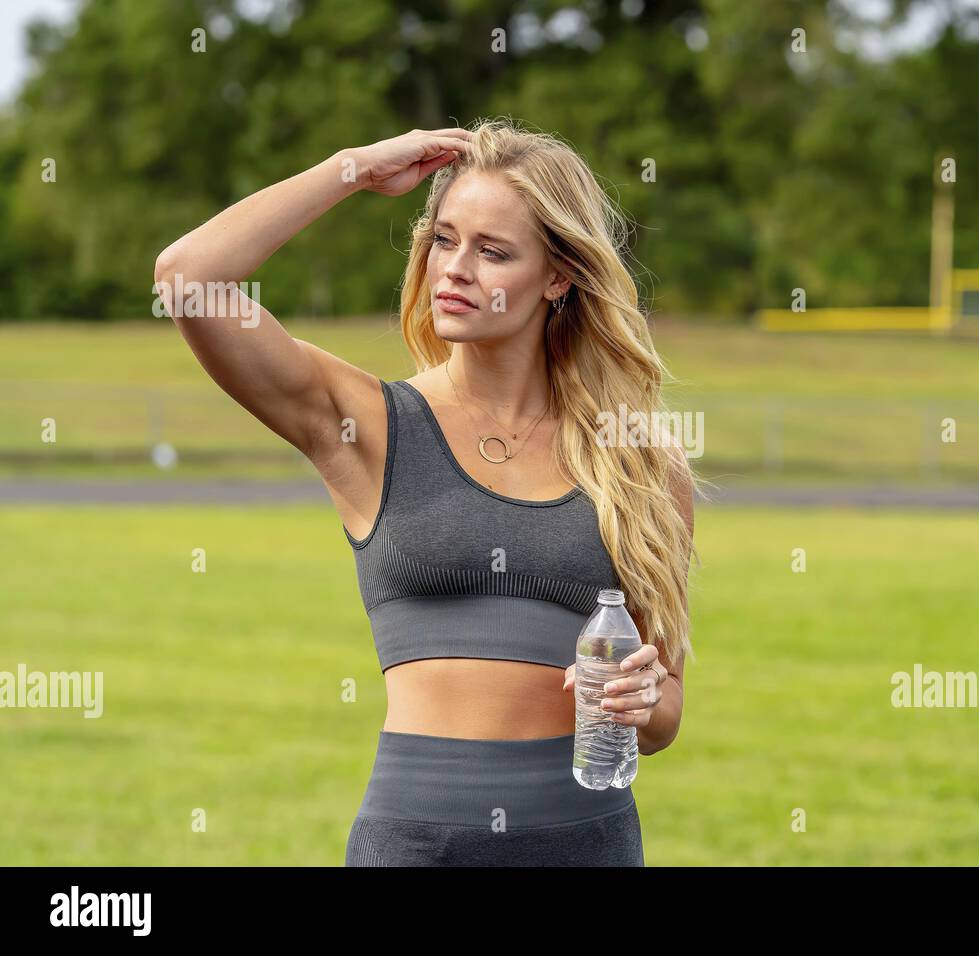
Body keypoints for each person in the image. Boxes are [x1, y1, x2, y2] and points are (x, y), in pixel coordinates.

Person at [154, 118, 702, 865]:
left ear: (558, 275)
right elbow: (188, 279)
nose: (455, 269)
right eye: (444, 240)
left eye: (493, 251)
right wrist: (353, 167)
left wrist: (644, 703)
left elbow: (665, 710)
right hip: (415, 848)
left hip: (590, 844)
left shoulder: (638, 462)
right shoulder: (368, 425)